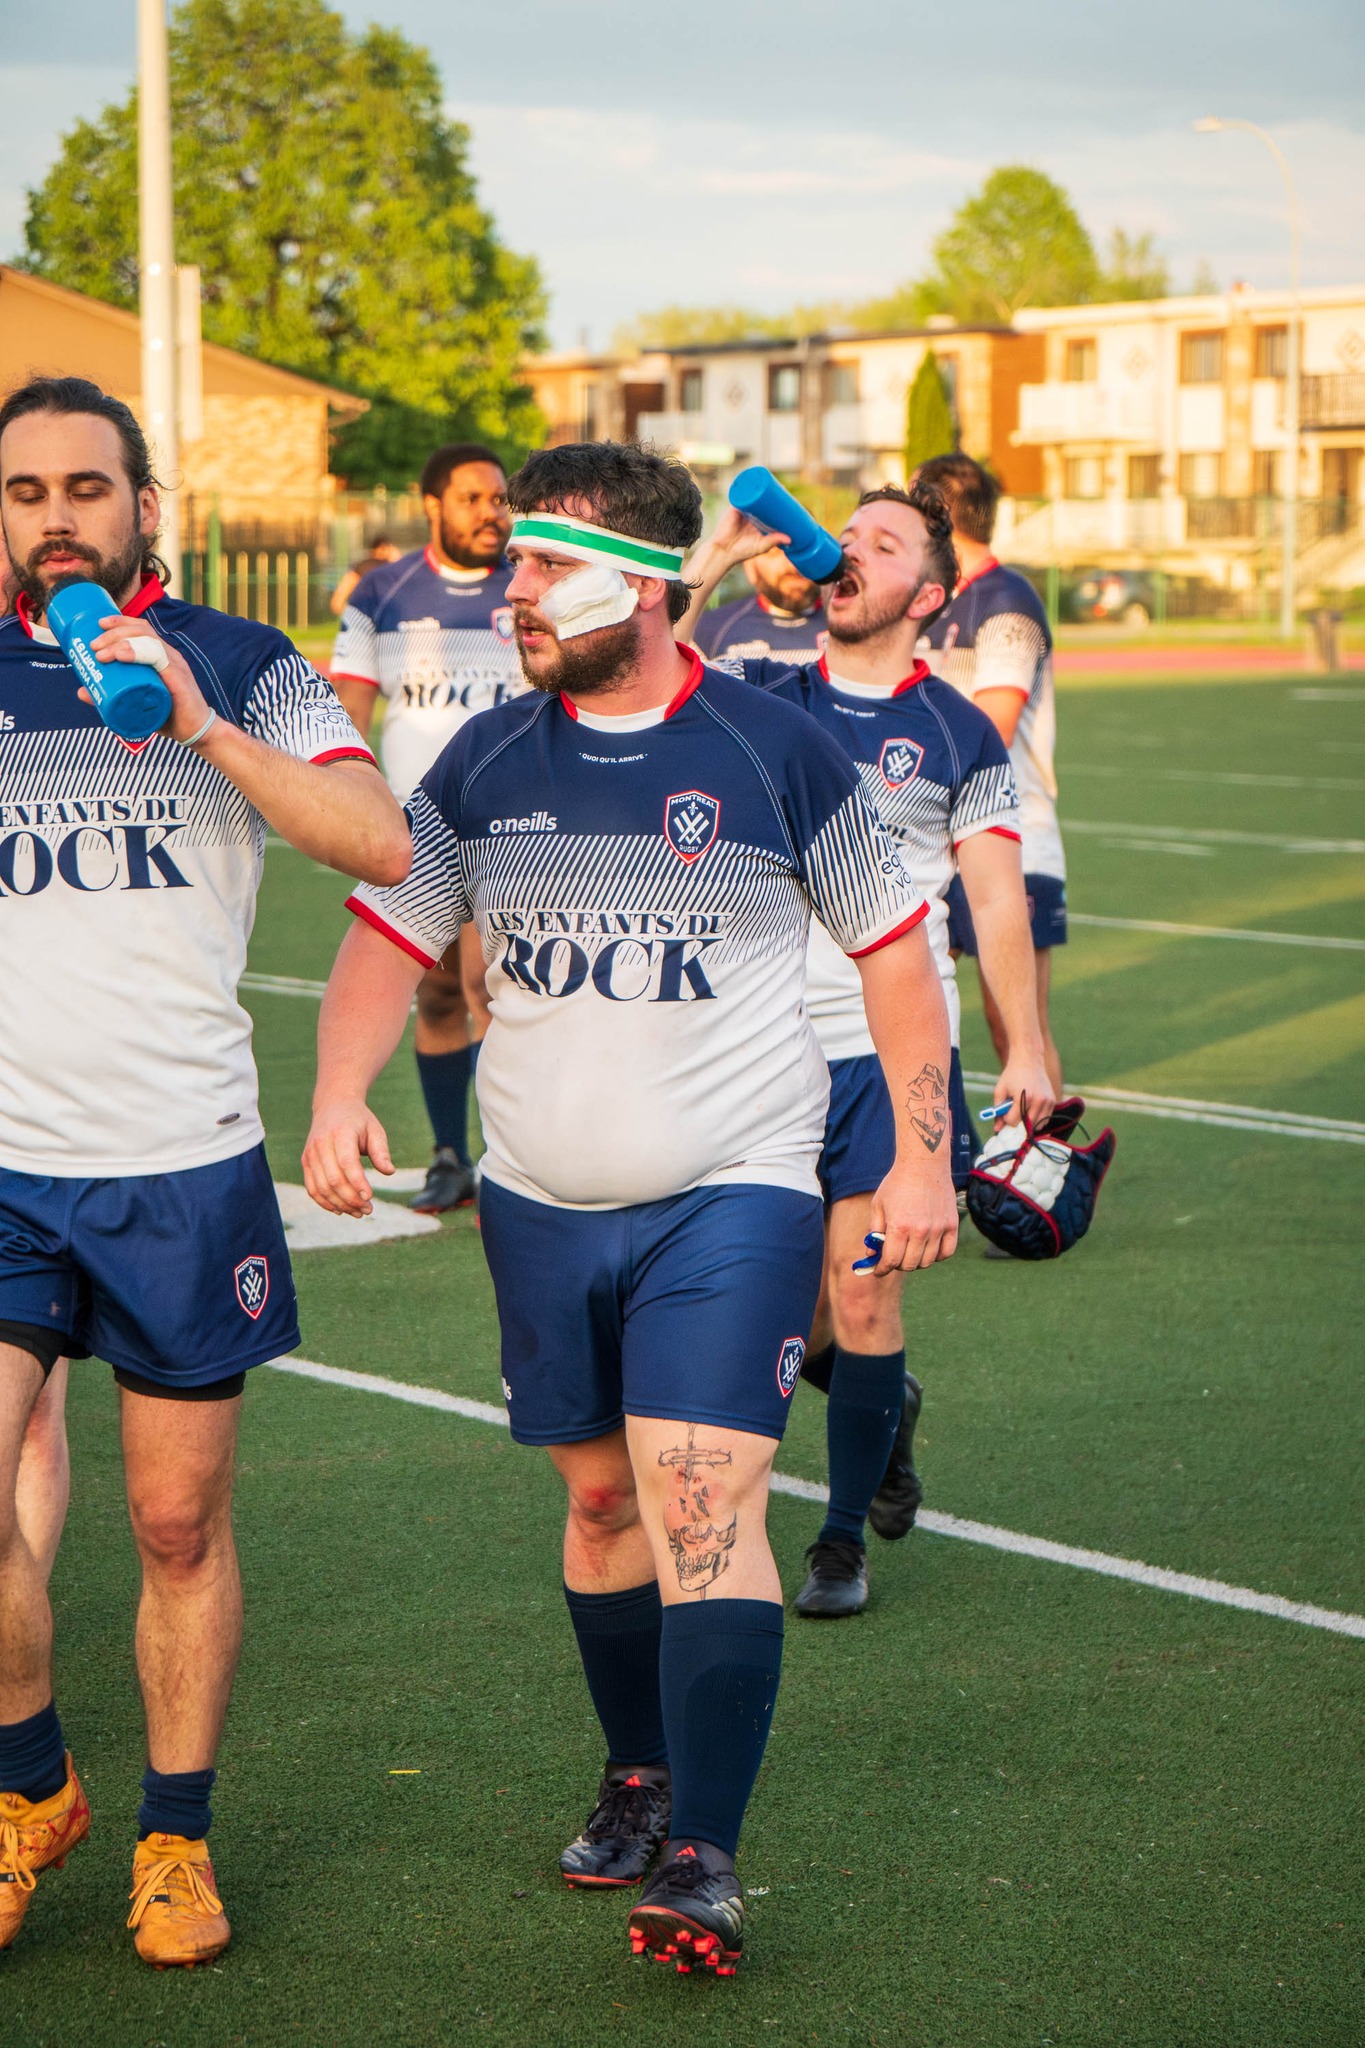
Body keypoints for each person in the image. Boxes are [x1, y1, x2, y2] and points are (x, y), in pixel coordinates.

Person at [303, 440, 958, 1975]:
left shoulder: (778, 752)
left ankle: (709, 1861)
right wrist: (339, 1089)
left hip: (731, 1193)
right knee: (602, 1506)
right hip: (538, 1203)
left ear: (654, 584)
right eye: (512, 562)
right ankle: (638, 1772)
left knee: (701, 1498)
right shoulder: (478, 763)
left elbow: (894, 964)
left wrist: (921, 1155)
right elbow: (388, 943)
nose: (512, 591)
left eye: (546, 563)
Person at [0, 375, 410, 1966]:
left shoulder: (242, 659)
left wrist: (199, 721)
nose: (54, 520)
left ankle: (175, 1836)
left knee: (176, 1530)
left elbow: (381, 844)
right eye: (23, 493)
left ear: (142, 506)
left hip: (182, 1166)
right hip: (7, 1162)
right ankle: (33, 1787)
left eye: (83, 490)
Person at [677, 483, 1055, 1616]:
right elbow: (636, 653)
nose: (851, 554)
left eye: (883, 545)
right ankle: (885, 1414)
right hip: (749, 1051)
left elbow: (994, 904)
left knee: (867, 1293)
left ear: (928, 595)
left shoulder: (955, 730)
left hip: (886, 1054)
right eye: (846, 538)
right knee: (783, 1318)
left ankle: (839, 1544)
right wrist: (722, 554)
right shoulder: (759, 696)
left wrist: (1027, 1046)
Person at [330, 444, 525, 1214]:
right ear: (433, 505)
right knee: (439, 994)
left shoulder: (530, 583)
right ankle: (450, 1155)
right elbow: (346, 710)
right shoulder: (384, 590)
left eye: (500, 498)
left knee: (491, 986)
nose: (492, 512)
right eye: (474, 498)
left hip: (518, 829)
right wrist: (352, 808)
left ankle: (508, 1152)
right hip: (418, 833)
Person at [914, 454, 1066, 1099]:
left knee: (1016, 1033)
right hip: (929, 840)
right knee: (918, 1020)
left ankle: (1046, 1185)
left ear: (939, 516)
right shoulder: (930, 599)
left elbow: (990, 729)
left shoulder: (1006, 601)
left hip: (1010, 834)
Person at [692, 538, 827, 664]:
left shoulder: (845, 624)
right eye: (773, 553)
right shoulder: (710, 630)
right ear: (750, 567)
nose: (792, 566)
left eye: (800, 550)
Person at [328, 534, 402, 618]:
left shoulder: (362, 567)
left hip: (366, 616)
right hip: (386, 616)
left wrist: (351, 616)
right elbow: (338, 600)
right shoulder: (393, 568)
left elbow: (338, 601)